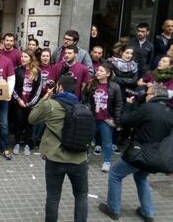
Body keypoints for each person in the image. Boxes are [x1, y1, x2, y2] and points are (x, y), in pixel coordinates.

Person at [99, 84, 173, 222]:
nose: (147, 95)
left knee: (115, 174)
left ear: (155, 94)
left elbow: (125, 121)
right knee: (141, 177)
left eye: (149, 93)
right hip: (156, 156)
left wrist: (128, 105)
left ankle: (113, 209)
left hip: (140, 153)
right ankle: (147, 212)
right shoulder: (169, 112)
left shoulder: (148, 108)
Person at [28, 75, 89, 222]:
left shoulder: (51, 105)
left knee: (53, 197)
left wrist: (45, 97)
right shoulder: (83, 108)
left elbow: (32, 118)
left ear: (59, 87)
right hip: (79, 159)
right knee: (81, 196)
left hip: (55, 158)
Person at [82, 62, 122, 172]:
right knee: (87, 140)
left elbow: (118, 104)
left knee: (107, 142)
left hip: (106, 119)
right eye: (97, 70)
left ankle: (107, 162)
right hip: (92, 118)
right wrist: (87, 108)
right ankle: (84, 158)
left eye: (101, 71)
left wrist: (116, 121)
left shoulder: (115, 87)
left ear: (108, 74)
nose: (98, 72)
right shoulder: (91, 84)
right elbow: (84, 98)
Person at [12, 50, 42, 156]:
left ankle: (28, 145)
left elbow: (38, 89)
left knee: (30, 124)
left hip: (31, 104)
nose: (23, 58)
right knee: (18, 123)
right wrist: (19, 100)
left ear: (31, 58)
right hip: (19, 103)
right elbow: (13, 87)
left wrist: (30, 103)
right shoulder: (17, 70)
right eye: (22, 57)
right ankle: (16, 143)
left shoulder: (37, 71)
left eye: (25, 57)